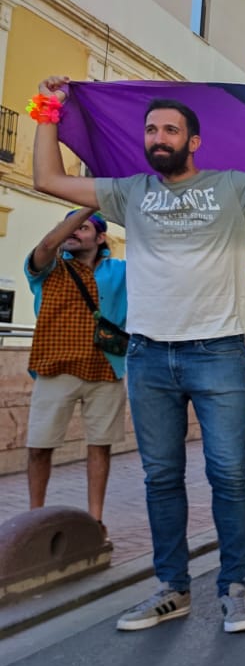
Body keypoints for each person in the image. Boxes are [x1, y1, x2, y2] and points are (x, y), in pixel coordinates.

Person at [33, 75, 245, 633]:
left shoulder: (235, 188)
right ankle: (172, 589)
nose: (159, 137)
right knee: (161, 478)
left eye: (170, 129)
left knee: (227, 473)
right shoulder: (130, 192)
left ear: (192, 141)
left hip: (217, 353)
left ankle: (234, 589)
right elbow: (47, 178)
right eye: (151, 129)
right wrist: (47, 109)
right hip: (149, 356)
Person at [23, 208, 128, 530]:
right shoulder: (48, 267)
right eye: (68, 227)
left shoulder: (121, 271)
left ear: (100, 238)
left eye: (82, 228)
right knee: (39, 447)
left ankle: (95, 520)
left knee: (100, 447)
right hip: (55, 367)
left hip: (107, 369)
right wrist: (87, 205)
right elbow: (45, 247)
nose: (72, 232)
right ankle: (34, 518)